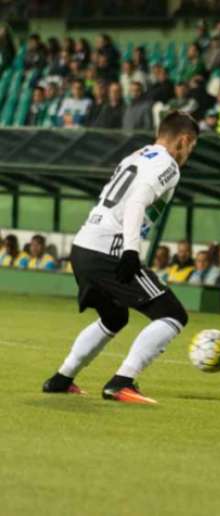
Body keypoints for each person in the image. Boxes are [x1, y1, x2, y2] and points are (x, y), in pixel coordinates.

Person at [41, 112, 199, 404]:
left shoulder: (136, 156)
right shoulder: (168, 164)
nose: (189, 154)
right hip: (109, 251)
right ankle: (122, 381)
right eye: (191, 148)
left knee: (114, 317)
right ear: (184, 141)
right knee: (172, 314)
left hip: (83, 246)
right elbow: (137, 201)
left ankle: (61, 378)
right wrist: (131, 250)